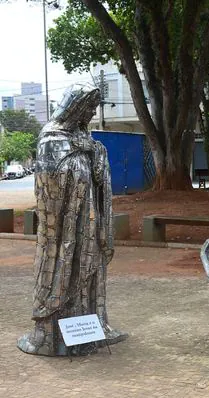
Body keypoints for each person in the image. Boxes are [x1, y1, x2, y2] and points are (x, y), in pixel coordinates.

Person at [17, 84, 127, 356]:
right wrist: (79, 157)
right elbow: (48, 186)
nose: (91, 114)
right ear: (74, 106)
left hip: (87, 222)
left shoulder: (83, 137)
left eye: (93, 109)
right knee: (65, 268)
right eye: (88, 108)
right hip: (63, 230)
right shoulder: (51, 138)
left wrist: (94, 154)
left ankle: (91, 327)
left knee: (89, 270)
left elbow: (98, 177)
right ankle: (52, 335)